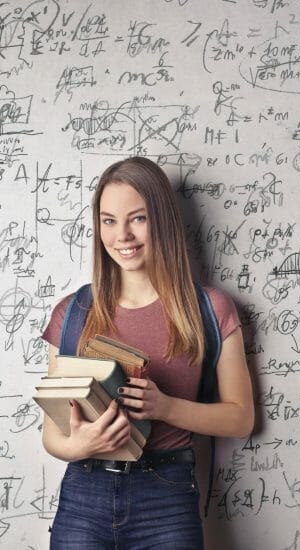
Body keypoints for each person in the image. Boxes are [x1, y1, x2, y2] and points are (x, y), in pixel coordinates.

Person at [41, 156, 254, 549]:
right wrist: (81, 445)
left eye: (137, 218)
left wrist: (165, 407)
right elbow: (54, 434)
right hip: (83, 496)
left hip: (167, 498)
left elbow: (241, 418)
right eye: (108, 220)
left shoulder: (210, 309)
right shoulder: (71, 313)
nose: (122, 235)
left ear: (162, 220)